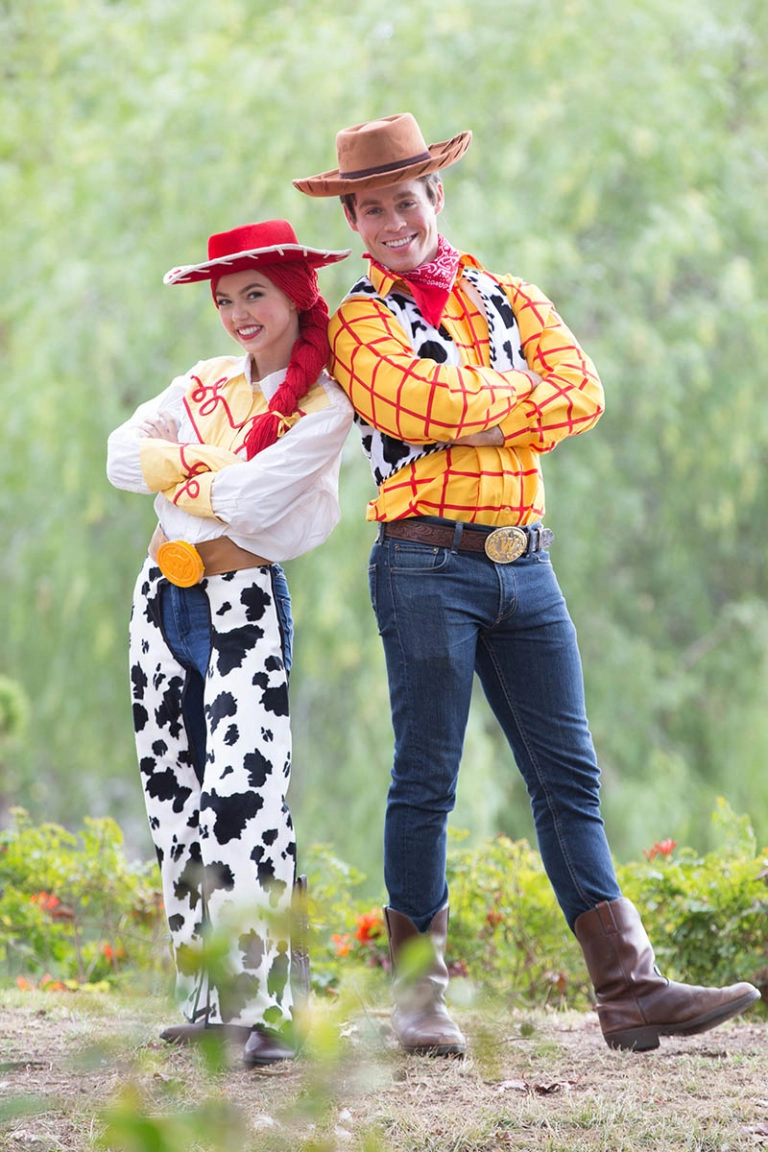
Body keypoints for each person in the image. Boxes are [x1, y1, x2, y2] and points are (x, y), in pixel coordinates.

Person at [292, 114, 761, 1055]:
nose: (392, 222)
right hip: (424, 562)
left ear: (436, 196)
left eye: (405, 200)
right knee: (428, 775)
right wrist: (516, 399)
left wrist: (474, 413)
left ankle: (627, 988)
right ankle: (418, 1000)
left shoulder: (513, 295)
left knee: (568, 775)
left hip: (526, 563)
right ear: (353, 221)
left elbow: (583, 391)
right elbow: (412, 405)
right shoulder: (359, 321)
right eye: (372, 209)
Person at [106, 219, 352, 1066]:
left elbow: (253, 505)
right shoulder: (203, 381)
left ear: (296, 295)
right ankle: (207, 1001)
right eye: (224, 299)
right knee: (173, 791)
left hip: (241, 600)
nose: (239, 313)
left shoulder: (322, 406)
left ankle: (271, 1010)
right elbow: (118, 456)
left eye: (255, 294)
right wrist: (213, 468)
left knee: (246, 798)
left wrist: (177, 465)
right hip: (159, 593)